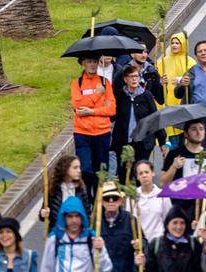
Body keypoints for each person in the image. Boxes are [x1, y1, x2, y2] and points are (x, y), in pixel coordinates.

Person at [70, 54, 117, 194]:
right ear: (82, 63)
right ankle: (86, 199)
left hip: (102, 133)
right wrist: (97, 95)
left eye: (95, 61)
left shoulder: (105, 83)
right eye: (89, 61)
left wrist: (91, 111)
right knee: (85, 169)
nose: (92, 64)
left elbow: (111, 109)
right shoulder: (76, 84)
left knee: (101, 171)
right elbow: (78, 107)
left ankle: (98, 202)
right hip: (83, 133)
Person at [39, 197, 111, 272]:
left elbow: (106, 267)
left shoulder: (91, 238)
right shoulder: (54, 239)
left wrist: (101, 250)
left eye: (77, 216)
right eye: (70, 216)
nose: (74, 220)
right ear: (64, 218)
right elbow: (46, 267)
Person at [96, 182, 141, 272]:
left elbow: (143, 241)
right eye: (107, 198)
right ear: (102, 202)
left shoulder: (131, 219)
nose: (111, 201)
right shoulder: (96, 221)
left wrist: (139, 244)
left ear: (120, 201)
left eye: (115, 198)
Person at [127, 161, 170, 242]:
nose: (144, 175)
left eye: (147, 172)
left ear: (153, 173)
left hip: (159, 243)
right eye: (141, 173)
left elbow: (168, 220)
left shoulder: (163, 196)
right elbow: (129, 221)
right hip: (139, 243)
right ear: (137, 177)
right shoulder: (132, 196)